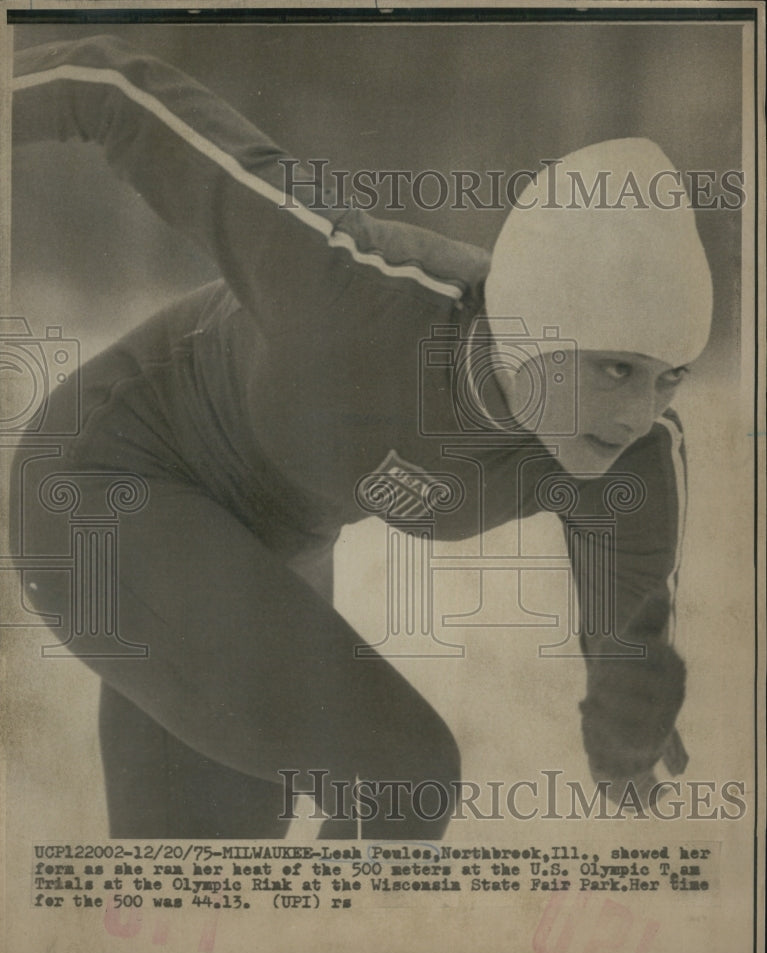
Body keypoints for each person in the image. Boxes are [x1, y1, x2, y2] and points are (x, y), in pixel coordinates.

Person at [11, 34, 712, 839]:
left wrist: (627, 752)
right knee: (401, 775)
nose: (634, 415)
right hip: (107, 482)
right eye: (615, 369)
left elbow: (629, 644)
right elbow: (110, 88)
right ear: (527, 328)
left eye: (668, 377)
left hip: (262, 550)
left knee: (212, 901)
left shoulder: (635, 460)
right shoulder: (347, 288)